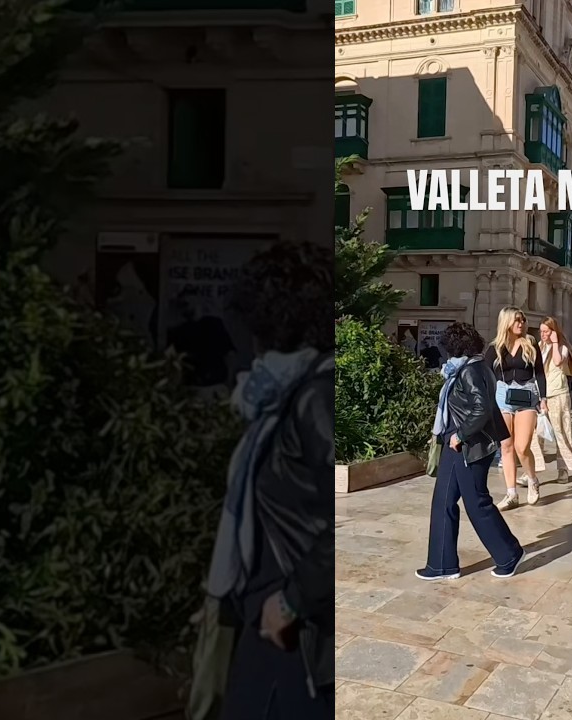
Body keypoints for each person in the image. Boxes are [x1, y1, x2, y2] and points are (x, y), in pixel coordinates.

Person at [209, 241, 332, 719]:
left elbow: (330, 524)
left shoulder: (314, 398)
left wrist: (291, 601)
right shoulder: (281, 396)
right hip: (266, 620)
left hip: (293, 634)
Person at [418, 322, 526, 580]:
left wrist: (461, 434)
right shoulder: (471, 367)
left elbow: (481, 410)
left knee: (476, 502)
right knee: (443, 502)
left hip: (468, 445)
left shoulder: (471, 370)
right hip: (458, 445)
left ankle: (509, 553)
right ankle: (441, 565)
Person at [485, 307, 547, 509]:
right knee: (506, 446)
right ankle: (511, 493)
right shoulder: (495, 347)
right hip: (503, 396)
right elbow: (486, 373)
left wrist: (543, 397)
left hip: (527, 396)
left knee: (522, 447)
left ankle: (532, 479)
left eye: (522, 319)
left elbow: (539, 373)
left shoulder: (530, 343)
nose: (520, 323)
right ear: (507, 323)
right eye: (516, 320)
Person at [539, 317, 572, 483]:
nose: (543, 335)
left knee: (561, 432)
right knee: (536, 434)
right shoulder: (539, 347)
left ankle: (563, 469)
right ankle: (532, 470)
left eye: (546, 331)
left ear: (554, 332)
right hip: (542, 394)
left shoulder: (562, 348)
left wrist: (555, 343)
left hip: (558, 394)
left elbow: (557, 362)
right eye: (541, 331)